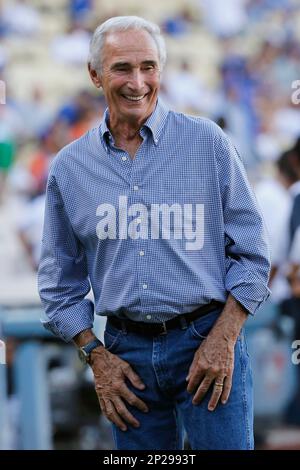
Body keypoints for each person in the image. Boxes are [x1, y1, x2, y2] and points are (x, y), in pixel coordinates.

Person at [38, 16, 271, 450]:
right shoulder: (70, 169)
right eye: (122, 68)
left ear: (161, 72)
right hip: (124, 356)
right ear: (95, 74)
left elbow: (253, 256)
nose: (137, 82)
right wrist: (96, 355)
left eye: (148, 67)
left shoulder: (209, 144)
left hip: (209, 339)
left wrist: (224, 338)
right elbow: (58, 285)